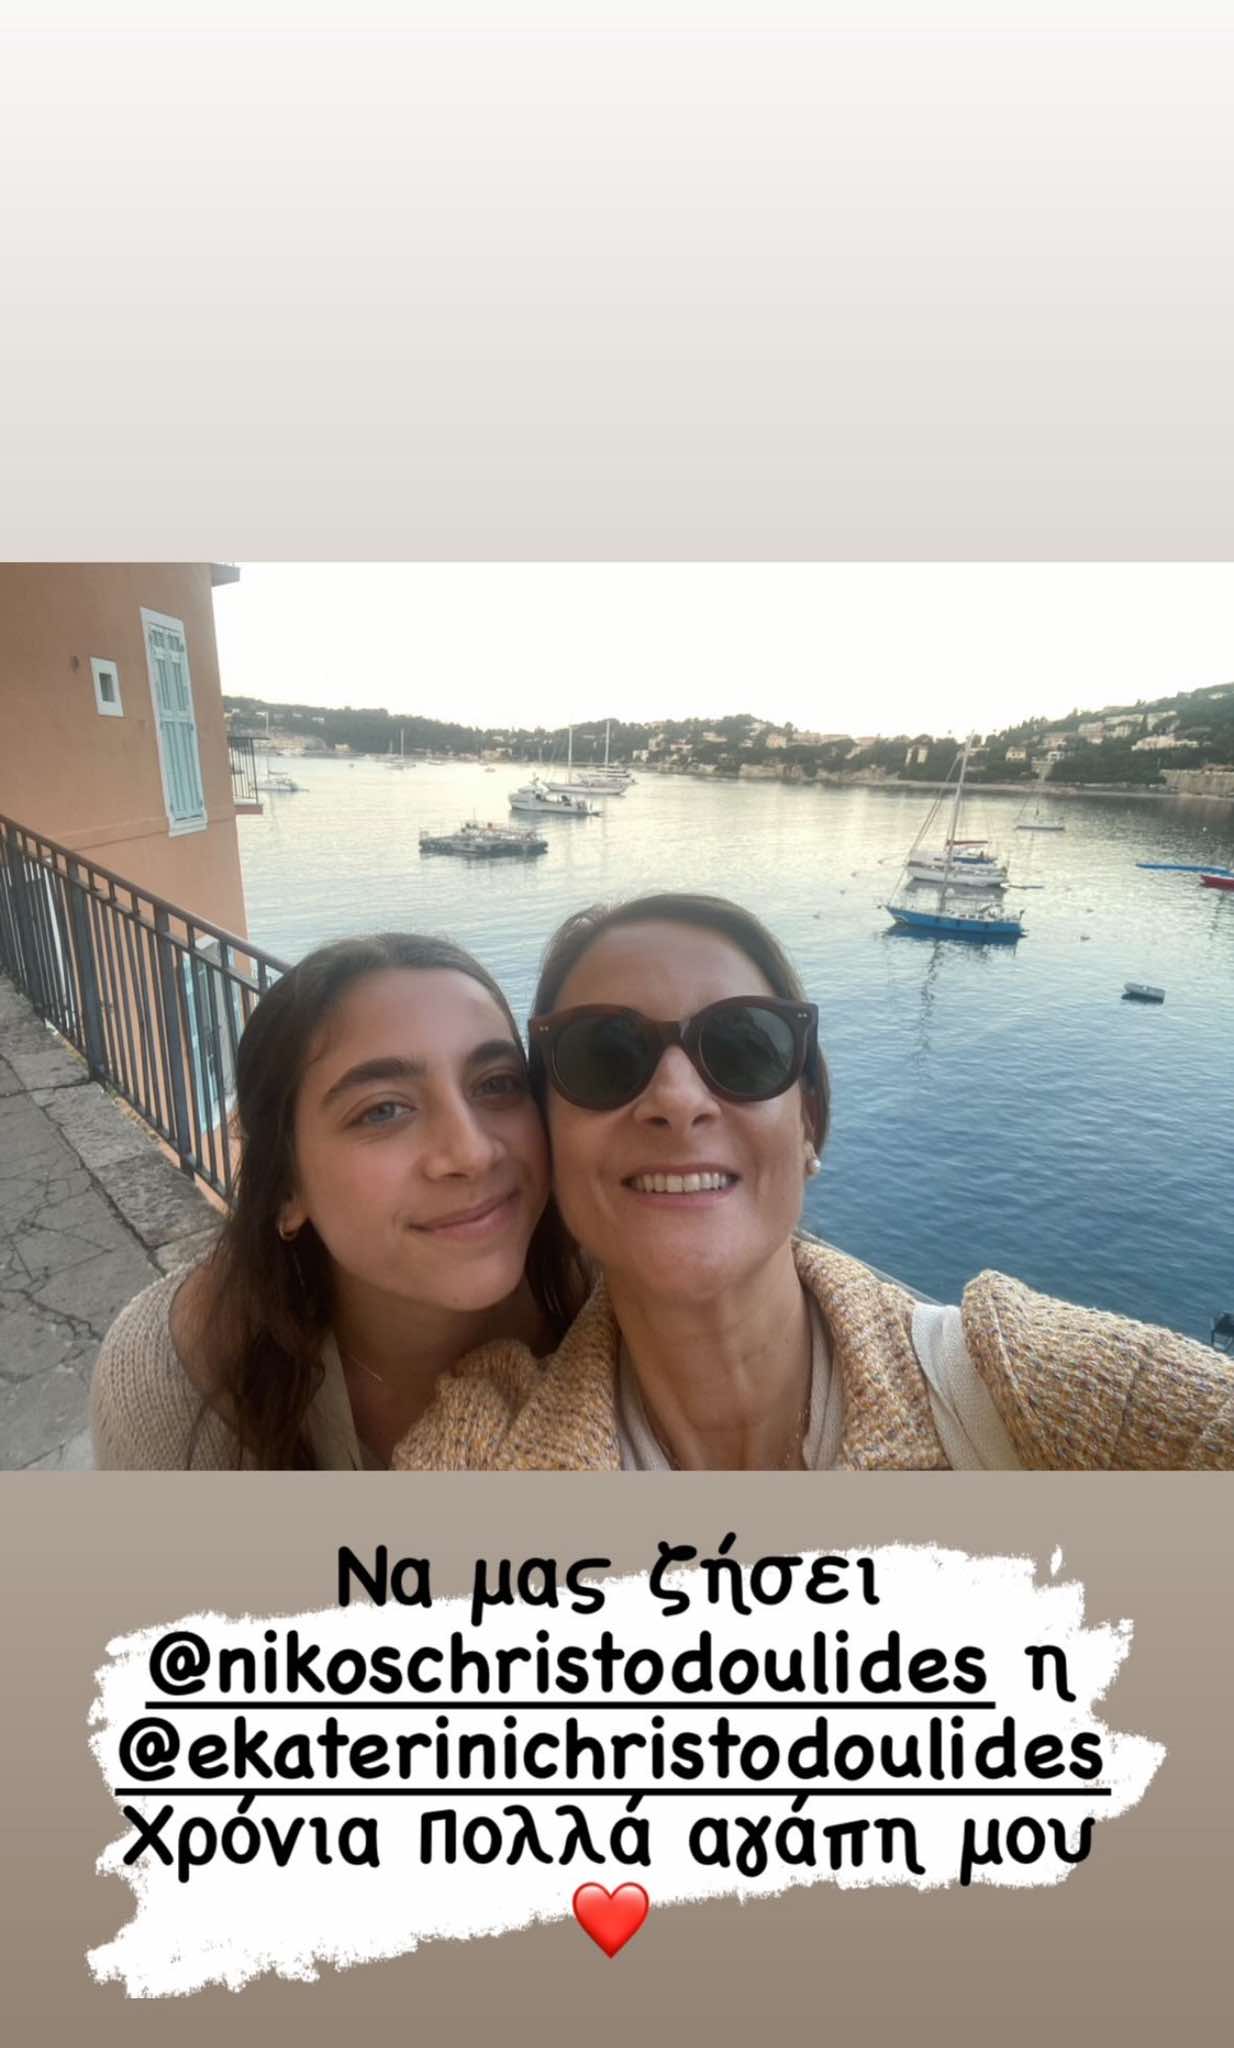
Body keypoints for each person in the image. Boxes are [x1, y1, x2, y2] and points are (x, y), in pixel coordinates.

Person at [394, 893, 1234, 1471]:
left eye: (744, 1046)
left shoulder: (1025, 1387)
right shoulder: (480, 1450)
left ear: (809, 1123)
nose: (678, 1100)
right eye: (602, 1055)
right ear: (549, 1136)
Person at [90, 933, 582, 1469]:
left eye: (496, 1084)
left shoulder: (619, 1300)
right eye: (382, 1111)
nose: (472, 1152)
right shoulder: (173, 1379)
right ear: (286, 1187)